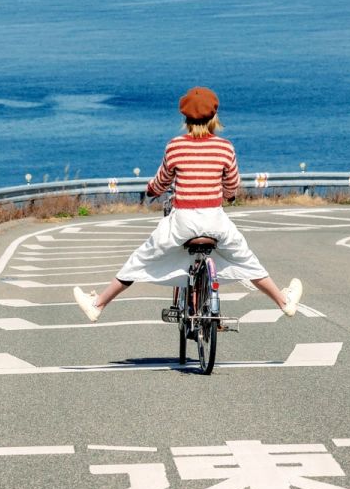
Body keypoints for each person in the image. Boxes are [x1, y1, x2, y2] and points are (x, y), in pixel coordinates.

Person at [74, 86, 302, 322]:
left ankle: (98, 304)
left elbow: (162, 181)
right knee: (247, 259)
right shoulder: (225, 147)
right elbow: (232, 184)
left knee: (140, 259)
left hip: (182, 221)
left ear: (185, 119)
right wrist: (229, 195)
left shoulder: (175, 146)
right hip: (214, 221)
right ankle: (283, 301)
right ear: (214, 117)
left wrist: (152, 190)